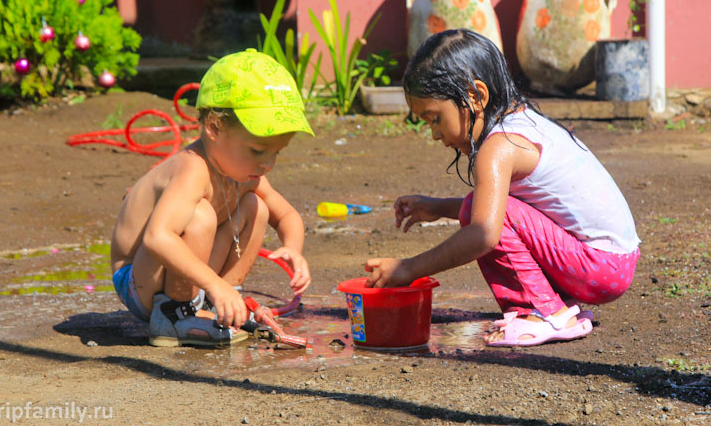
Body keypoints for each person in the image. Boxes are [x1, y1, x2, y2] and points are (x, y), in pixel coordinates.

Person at [365, 29, 640, 347]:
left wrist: (407, 268)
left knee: (480, 218)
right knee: (476, 207)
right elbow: (516, 212)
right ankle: (558, 307)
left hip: (600, 268)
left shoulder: (499, 147)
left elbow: (484, 232)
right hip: (611, 262)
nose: (434, 134)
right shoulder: (524, 123)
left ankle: (542, 312)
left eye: (435, 119)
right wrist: (438, 208)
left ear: (476, 96)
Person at [110, 49, 314, 347]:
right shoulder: (193, 168)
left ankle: (224, 302)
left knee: (256, 207)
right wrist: (213, 284)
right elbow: (156, 237)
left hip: (187, 276)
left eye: (276, 152)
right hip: (138, 281)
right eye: (258, 150)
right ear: (215, 128)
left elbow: (287, 216)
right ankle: (172, 315)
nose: (267, 164)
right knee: (201, 215)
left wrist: (293, 249)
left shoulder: (245, 172)